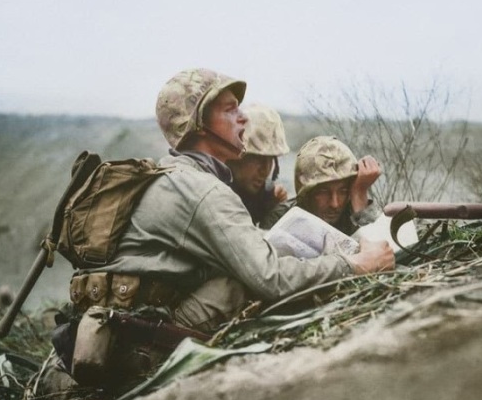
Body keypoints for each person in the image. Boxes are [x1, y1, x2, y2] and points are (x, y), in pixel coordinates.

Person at [99, 69, 395, 334]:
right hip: (142, 336)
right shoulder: (204, 191)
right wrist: (354, 265)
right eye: (230, 110)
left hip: (135, 323)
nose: (242, 118)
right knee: (241, 285)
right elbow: (270, 279)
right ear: (199, 125)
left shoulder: (180, 175)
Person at [261, 136, 381, 236]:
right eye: (324, 192)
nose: (335, 204)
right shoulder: (280, 219)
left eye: (343, 191)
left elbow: (378, 251)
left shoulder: (352, 216)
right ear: (306, 193)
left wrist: (359, 193)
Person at [226, 103, 290, 226]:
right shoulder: (213, 191)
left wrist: (273, 209)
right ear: (235, 155)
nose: (265, 170)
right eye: (257, 159)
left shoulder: (265, 196)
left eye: (270, 159)